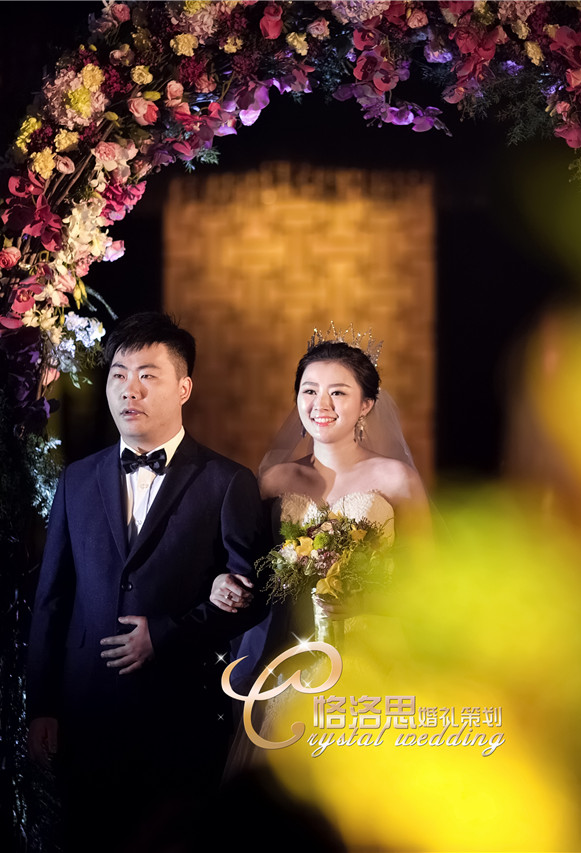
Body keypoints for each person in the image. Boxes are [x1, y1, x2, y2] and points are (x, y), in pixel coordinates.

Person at [25, 312, 270, 850]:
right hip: (85, 711)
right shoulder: (76, 478)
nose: (128, 390)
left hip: (179, 713)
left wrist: (165, 634)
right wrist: (41, 705)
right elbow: (52, 598)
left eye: (147, 376)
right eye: (118, 375)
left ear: (184, 388)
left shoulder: (226, 481)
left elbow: (250, 598)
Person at [213, 334, 430, 692]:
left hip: (373, 649)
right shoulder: (274, 481)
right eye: (310, 391)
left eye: (338, 392)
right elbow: (245, 564)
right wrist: (222, 583)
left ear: (366, 404)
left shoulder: (397, 479)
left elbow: (427, 576)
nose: (321, 404)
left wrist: (364, 601)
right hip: (289, 649)